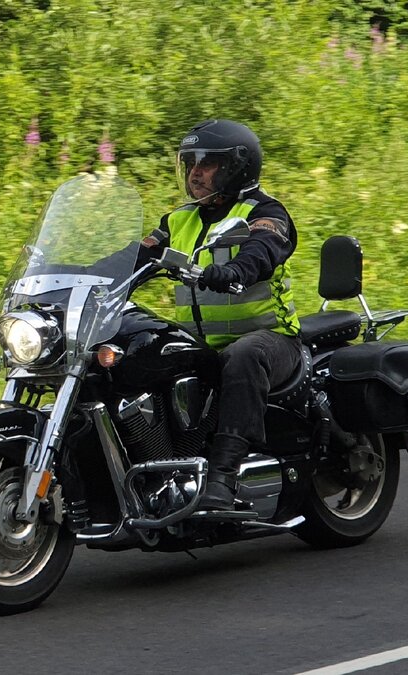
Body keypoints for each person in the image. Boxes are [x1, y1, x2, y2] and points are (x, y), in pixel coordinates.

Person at [142, 119, 302, 510]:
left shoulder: (265, 213)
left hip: (272, 341)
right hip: (202, 346)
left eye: (207, 163)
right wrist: (81, 275)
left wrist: (233, 272)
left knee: (243, 355)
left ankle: (223, 479)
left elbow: (263, 249)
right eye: (191, 163)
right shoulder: (178, 220)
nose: (195, 172)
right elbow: (136, 256)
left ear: (237, 167)